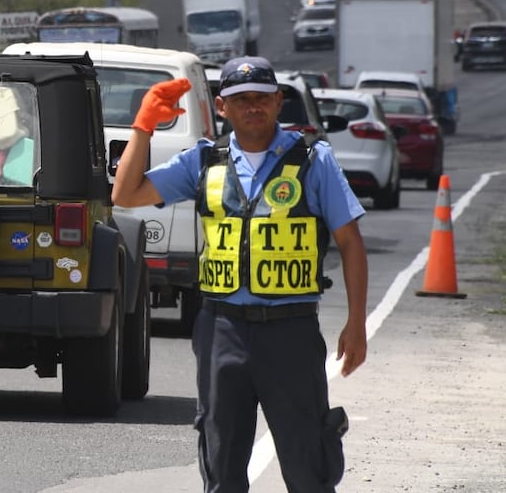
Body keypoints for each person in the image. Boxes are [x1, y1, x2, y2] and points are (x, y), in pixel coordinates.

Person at [112, 57, 368, 493]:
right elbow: (126, 193)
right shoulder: (203, 161)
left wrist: (356, 323)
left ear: (278, 102)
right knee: (222, 466)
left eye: (263, 98)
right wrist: (143, 126)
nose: (254, 107)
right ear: (222, 107)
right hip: (220, 330)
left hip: (290, 332)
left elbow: (350, 242)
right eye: (241, 100)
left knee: (308, 467)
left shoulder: (311, 159)